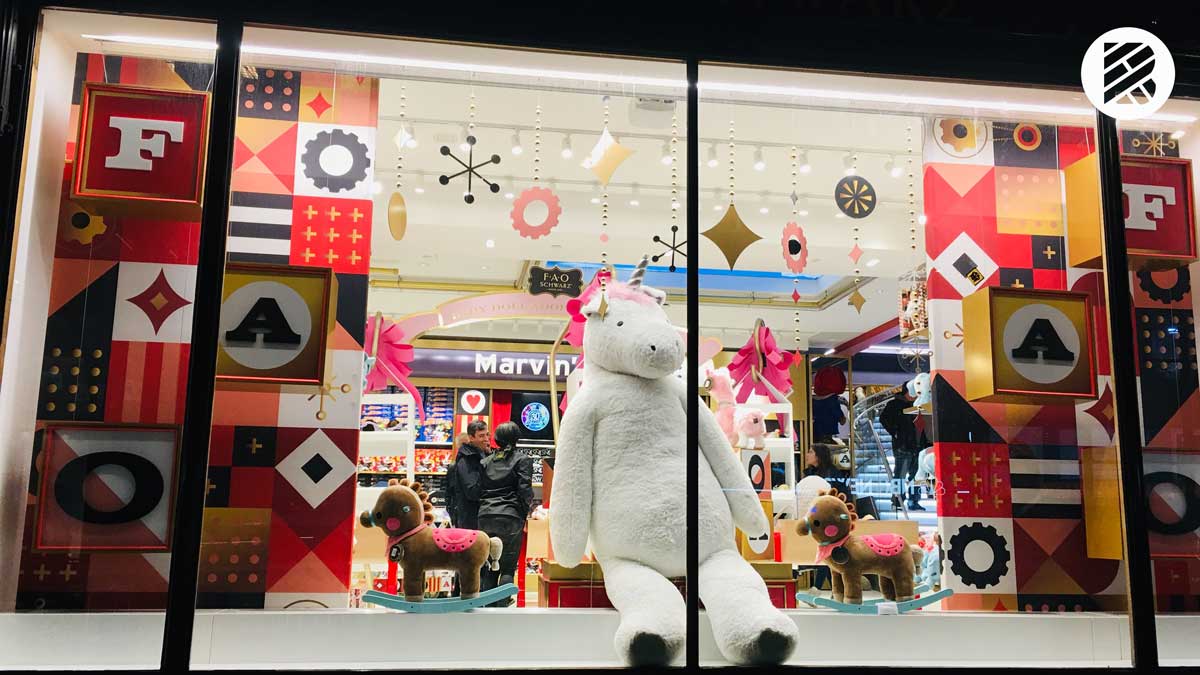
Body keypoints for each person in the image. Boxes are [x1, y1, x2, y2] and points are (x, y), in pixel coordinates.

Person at [477, 421, 533, 606]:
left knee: (489, 566)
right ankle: (502, 610)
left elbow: (478, 489)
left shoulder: (485, 462)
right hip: (510, 517)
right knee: (507, 568)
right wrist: (523, 512)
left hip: (485, 516)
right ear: (516, 438)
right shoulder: (522, 460)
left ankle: (487, 609)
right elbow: (525, 491)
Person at [878, 383, 926, 511]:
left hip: (918, 445)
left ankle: (913, 501)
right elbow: (883, 419)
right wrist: (895, 432)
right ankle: (897, 501)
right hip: (903, 445)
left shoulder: (919, 404)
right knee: (900, 475)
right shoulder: (894, 404)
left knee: (916, 475)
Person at [445, 420, 489, 530]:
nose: (486, 439)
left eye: (487, 434)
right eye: (481, 436)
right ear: (471, 438)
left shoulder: (483, 456)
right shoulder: (466, 460)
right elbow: (472, 492)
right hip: (470, 520)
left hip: (480, 516)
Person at [811, 366, 847, 444]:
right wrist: (847, 406)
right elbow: (842, 421)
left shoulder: (811, 400)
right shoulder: (833, 400)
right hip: (827, 436)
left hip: (812, 434)